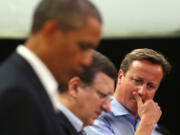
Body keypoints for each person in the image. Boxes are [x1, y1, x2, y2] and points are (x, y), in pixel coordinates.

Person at [0, 0, 102, 135]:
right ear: (51, 31)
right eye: (83, 47)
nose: (88, 61)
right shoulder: (18, 94)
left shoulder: (27, 85)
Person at [84, 48, 171, 135]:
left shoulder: (153, 124)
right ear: (120, 76)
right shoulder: (94, 117)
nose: (142, 92)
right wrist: (146, 124)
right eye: (137, 81)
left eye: (150, 86)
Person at [56, 50, 117, 135]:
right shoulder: (45, 127)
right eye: (102, 95)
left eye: (109, 99)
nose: (107, 108)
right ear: (75, 87)